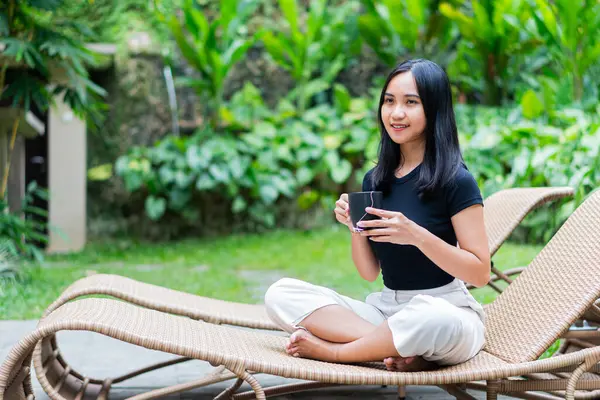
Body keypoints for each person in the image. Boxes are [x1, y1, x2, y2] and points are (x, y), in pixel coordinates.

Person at [264, 59, 490, 371]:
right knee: (281, 294)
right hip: (387, 310)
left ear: (434, 108)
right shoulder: (376, 179)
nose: (396, 113)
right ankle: (398, 347)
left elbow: (480, 272)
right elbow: (369, 273)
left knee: (428, 318)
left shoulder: (456, 181)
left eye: (411, 102)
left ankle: (336, 352)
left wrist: (415, 235)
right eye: (389, 101)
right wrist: (354, 227)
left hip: (447, 310)